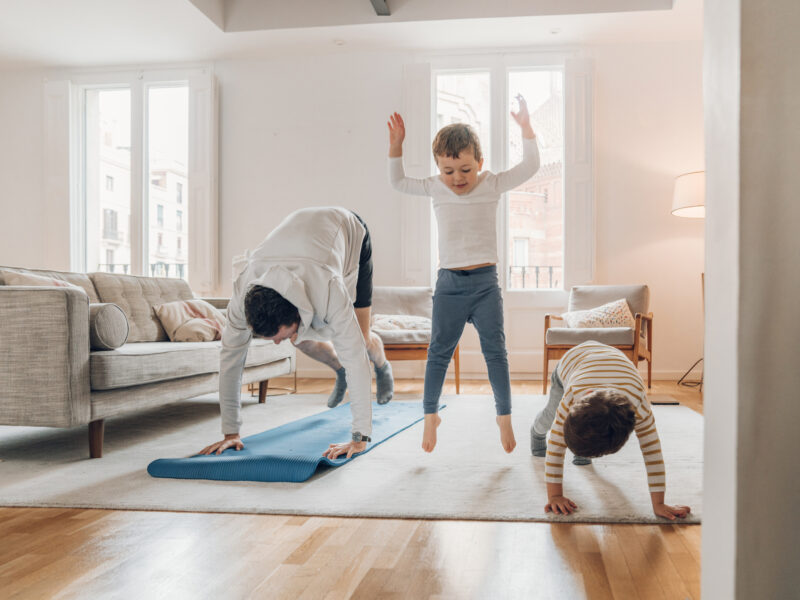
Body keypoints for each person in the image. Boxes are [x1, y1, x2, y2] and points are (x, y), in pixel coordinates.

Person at [387, 95, 540, 453]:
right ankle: (430, 417)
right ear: (438, 168)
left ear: (480, 164)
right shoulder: (433, 186)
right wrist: (396, 146)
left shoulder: (492, 183)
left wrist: (527, 131)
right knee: (438, 352)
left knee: (495, 352)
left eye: (466, 170)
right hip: (449, 285)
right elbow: (397, 182)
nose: (457, 178)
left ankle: (504, 417)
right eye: (448, 171)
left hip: (486, 284)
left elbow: (531, 167)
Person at [199, 207, 394, 460]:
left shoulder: (329, 288)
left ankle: (382, 365)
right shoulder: (242, 292)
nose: (278, 343)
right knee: (300, 341)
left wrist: (359, 438)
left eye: (278, 336)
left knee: (362, 339)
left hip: (349, 232)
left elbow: (355, 357)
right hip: (301, 240)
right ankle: (338, 369)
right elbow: (230, 360)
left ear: (296, 314)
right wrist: (230, 432)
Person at [531, 340, 691, 520]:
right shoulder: (573, 395)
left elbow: (652, 453)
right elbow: (555, 446)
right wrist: (555, 496)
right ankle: (536, 433)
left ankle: (582, 453)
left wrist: (659, 503)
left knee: (589, 435)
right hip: (571, 363)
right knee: (550, 415)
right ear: (585, 396)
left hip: (609, 363)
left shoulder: (640, 407)